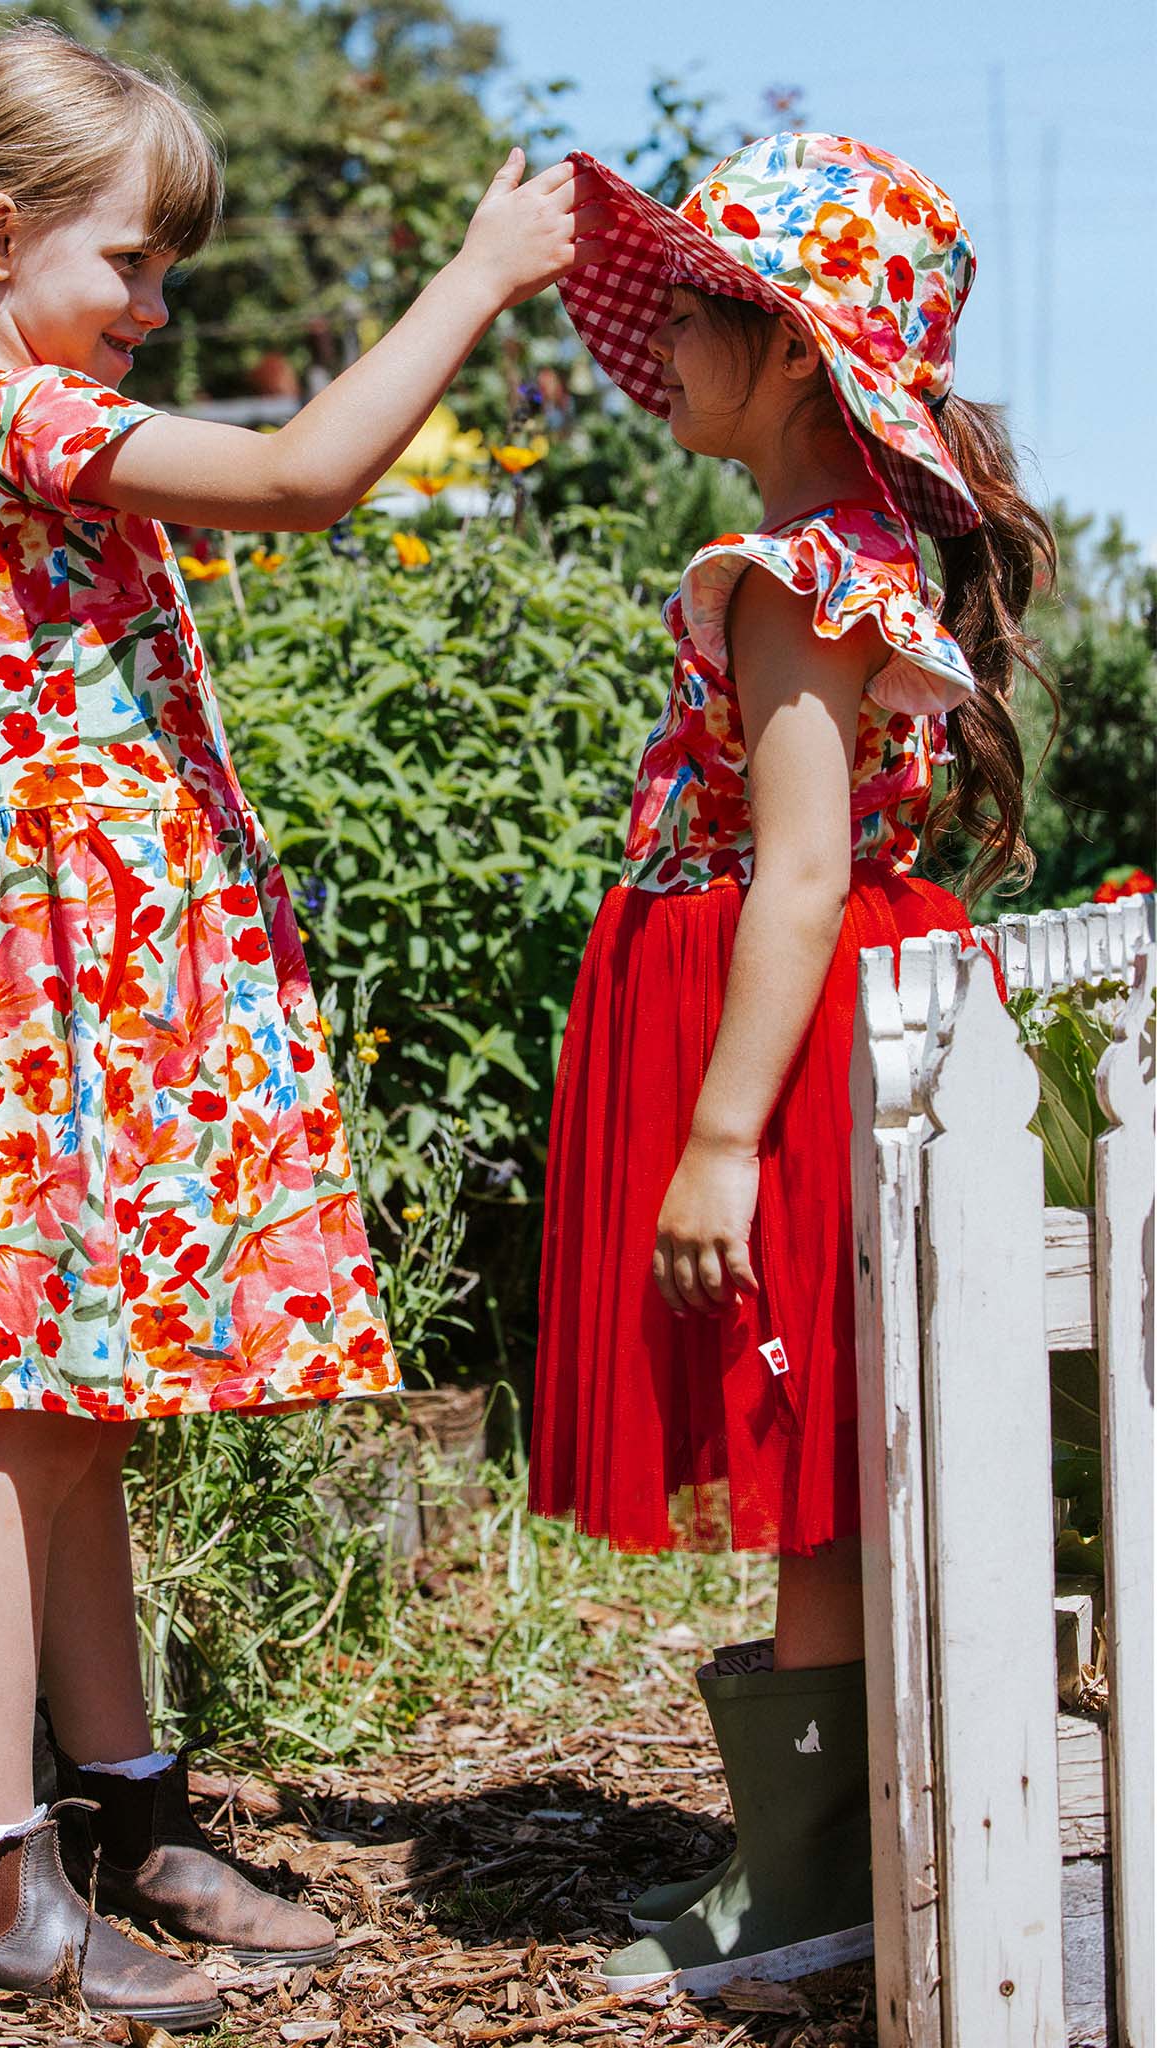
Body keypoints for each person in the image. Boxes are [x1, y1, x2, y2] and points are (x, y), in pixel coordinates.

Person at [0, 22, 599, 2028]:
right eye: (137, 263)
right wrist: (479, 271)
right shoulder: (6, 412)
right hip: (46, 981)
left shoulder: (19, 400)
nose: (159, 305)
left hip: (92, 973)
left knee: (83, 1416)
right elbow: (307, 473)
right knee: (20, 1418)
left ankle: (129, 1802)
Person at [528, 131, 1055, 2000]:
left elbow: (807, 864)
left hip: (790, 1033)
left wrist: (720, 1139)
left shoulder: (784, 572)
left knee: (812, 1444)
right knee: (823, 1440)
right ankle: (800, 1855)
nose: (662, 335)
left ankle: (817, 1884)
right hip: (840, 1012)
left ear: (800, 355)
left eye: (703, 309)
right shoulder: (858, 552)